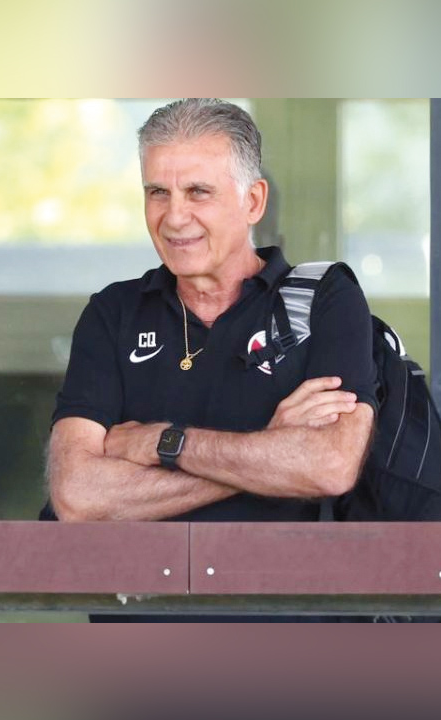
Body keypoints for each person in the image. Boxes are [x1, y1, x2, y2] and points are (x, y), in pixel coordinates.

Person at [46, 99, 377, 621]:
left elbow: (329, 466)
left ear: (253, 200)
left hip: (293, 650)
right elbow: (78, 496)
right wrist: (269, 452)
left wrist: (159, 443)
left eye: (198, 191)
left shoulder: (325, 299)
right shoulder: (113, 312)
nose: (174, 217)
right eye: (157, 192)